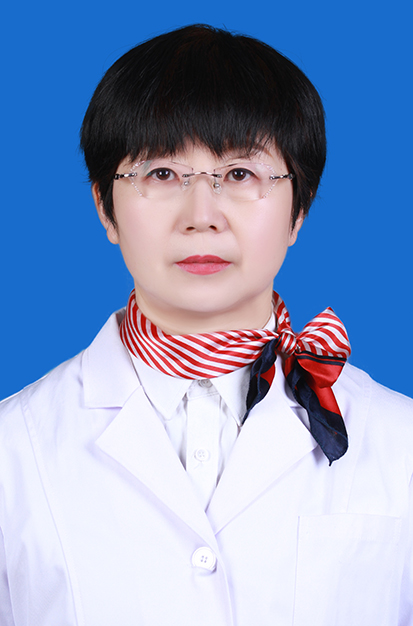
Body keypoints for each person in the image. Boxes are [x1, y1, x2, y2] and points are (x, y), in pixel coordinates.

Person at [0, 24, 412, 626]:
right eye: (161, 174)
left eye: (240, 174)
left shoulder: (402, 444)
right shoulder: (12, 451)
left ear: (299, 209)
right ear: (105, 208)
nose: (202, 216)